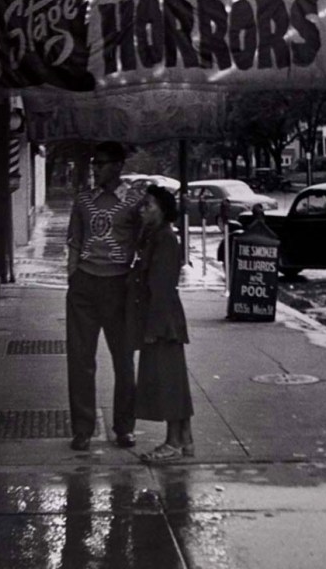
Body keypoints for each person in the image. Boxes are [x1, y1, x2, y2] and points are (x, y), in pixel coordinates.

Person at [66, 141, 141, 452]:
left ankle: (125, 428)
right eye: (94, 163)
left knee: (123, 360)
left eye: (102, 163)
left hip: (119, 286)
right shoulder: (84, 200)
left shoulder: (134, 201)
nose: (95, 168)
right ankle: (82, 430)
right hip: (85, 284)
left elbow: (144, 240)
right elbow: (74, 239)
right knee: (80, 359)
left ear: (118, 166)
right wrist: (73, 275)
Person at [128, 184, 194, 462]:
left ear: (163, 211)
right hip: (161, 319)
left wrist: (153, 328)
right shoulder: (154, 236)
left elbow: (162, 287)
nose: (143, 209)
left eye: (149, 205)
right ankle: (184, 439)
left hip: (162, 322)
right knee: (173, 381)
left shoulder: (165, 239)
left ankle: (173, 443)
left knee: (167, 383)